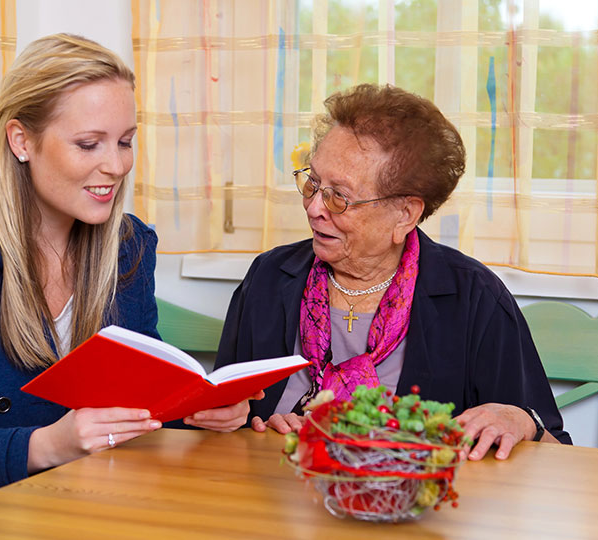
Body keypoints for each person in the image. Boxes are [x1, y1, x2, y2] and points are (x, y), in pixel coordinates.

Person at [0, 33, 253, 534]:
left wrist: (200, 410)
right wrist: (49, 445)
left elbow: (140, 402)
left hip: (81, 511)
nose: (115, 165)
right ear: (21, 141)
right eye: (89, 144)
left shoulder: (128, 246)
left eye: (125, 141)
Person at [214, 84, 571, 462]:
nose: (314, 207)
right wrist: (247, 425)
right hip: (270, 501)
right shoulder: (270, 277)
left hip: (411, 510)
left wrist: (521, 419)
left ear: (405, 214)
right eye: (313, 183)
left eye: (339, 197)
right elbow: (220, 418)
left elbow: (555, 454)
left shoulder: (473, 298)